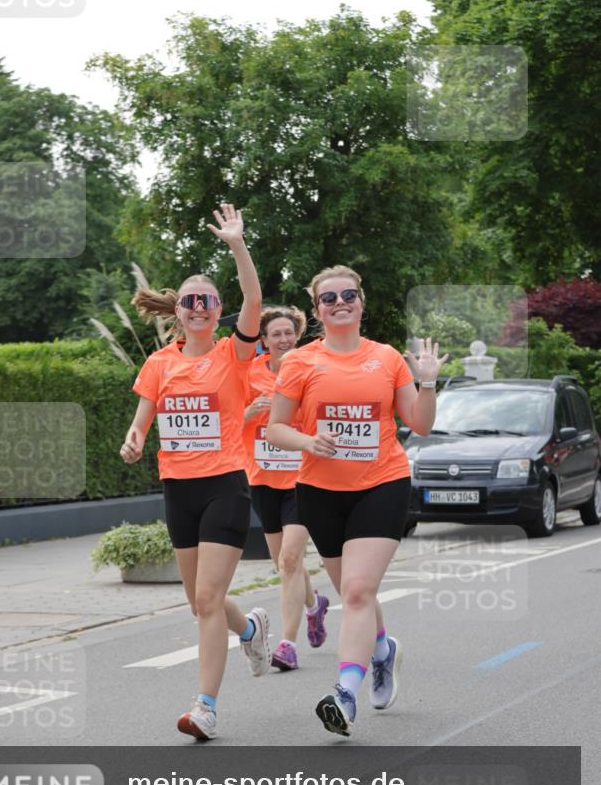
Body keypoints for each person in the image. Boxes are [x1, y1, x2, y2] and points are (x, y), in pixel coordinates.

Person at [266, 265, 448, 737]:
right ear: (317, 310)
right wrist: (308, 442)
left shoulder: (386, 358)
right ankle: (383, 651)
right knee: (352, 589)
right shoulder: (300, 362)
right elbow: (275, 429)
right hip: (321, 492)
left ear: (361, 302)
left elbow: (421, 425)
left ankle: (345, 694)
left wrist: (426, 381)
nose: (340, 302)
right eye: (329, 298)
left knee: (358, 591)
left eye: (349, 294)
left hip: (381, 484)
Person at [120, 204, 270, 742]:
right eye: (190, 302)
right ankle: (251, 630)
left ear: (218, 310)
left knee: (207, 600)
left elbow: (255, 299)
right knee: (199, 602)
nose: (199, 308)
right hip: (177, 490)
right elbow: (143, 419)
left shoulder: (235, 354)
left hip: (225, 486)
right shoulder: (160, 362)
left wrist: (237, 244)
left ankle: (205, 706)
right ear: (178, 312)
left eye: (207, 301)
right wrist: (134, 439)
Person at [242, 307, 329, 671]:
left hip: (301, 478)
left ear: (297, 335)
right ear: (263, 340)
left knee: (291, 559)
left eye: (289, 333)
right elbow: (229, 419)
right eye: (275, 334)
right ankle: (314, 605)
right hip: (262, 478)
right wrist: (250, 411)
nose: (283, 340)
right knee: (284, 564)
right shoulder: (248, 372)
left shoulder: (310, 368)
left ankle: (287, 645)